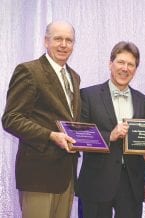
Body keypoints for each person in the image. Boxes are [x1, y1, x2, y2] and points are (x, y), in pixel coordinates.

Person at [2, 21, 81, 218]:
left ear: (73, 44)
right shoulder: (29, 71)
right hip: (38, 174)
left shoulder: (75, 77)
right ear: (46, 41)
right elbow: (11, 118)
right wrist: (50, 135)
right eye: (58, 39)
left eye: (68, 40)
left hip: (66, 175)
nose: (63, 44)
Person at [76, 41, 145, 218]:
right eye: (121, 62)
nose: (125, 68)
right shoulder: (88, 95)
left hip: (130, 185)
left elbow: (144, 141)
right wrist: (109, 136)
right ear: (110, 63)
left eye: (131, 64)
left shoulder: (144, 102)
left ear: (135, 69)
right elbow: (79, 136)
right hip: (96, 182)